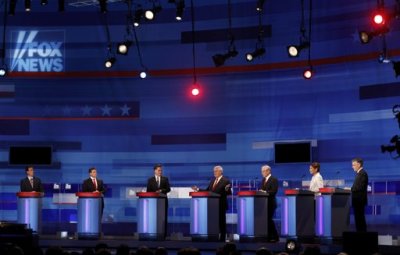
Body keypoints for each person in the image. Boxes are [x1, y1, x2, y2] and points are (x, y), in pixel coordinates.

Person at [192, 165, 232, 241]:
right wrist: (197, 189)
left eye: (216, 171)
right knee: (214, 222)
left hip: (221, 204)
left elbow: (228, 192)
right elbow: (208, 191)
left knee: (221, 222)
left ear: (221, 172)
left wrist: (226, 190)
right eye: (214, 171)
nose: (214, 172)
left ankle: (222, 238)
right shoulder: (212, 181)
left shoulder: (226, 181)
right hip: (212, 205)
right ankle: (214, 237)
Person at [146, 164, 171, 237]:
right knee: (153, 218)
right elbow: (148, 192)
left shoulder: (165, 179)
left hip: (163, 202)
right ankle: (153, 233)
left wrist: (161, 190)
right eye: (159, 170)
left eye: (161, 170)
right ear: (155, 171)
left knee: (163, 218)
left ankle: (163, 235)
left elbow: (168, 189)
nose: (160, 171)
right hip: (153, 203)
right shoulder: (150, 180)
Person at [259, 165, 279, 242]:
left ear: (268, 171)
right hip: (264, 204)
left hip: (271, 203)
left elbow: (274, 191)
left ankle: (275, 236)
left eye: (263, 171)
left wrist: (265, 192)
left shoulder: (274, 179)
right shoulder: (263, 180)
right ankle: (269, 236)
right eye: (262, 171)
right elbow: (262, 190)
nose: (262, 173)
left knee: (269, 219)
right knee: (266, 220)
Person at [351, 157, 368, 232]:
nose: (352, 167)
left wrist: (350, 189)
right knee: (358, 220)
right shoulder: (359, 173)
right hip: (357, 201)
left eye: (354, 165)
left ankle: (362, 236)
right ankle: (360, 235)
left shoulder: (362, 173)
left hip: (359, 200)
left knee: (360, 219)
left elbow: (359, 187)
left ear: (359, 164)